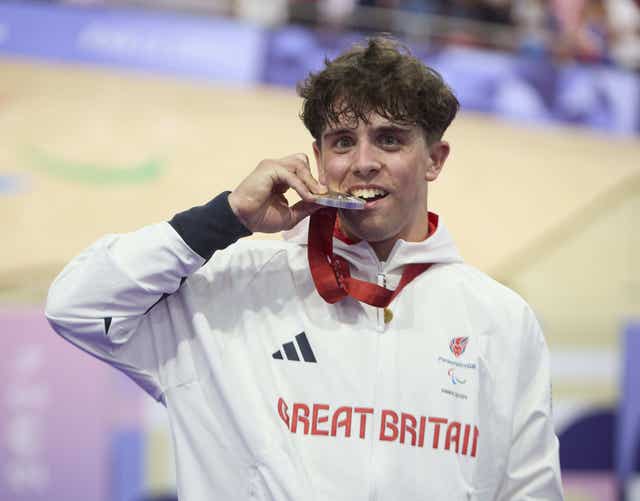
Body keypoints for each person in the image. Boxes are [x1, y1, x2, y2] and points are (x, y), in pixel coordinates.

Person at [46, 37, 564, 500]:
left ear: (434, 158)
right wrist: (223, 218)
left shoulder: (501, 320)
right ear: (317, 157)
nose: (363, 161)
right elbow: (78, 305)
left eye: (389, 139)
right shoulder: (230, 291)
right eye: (342, 141)